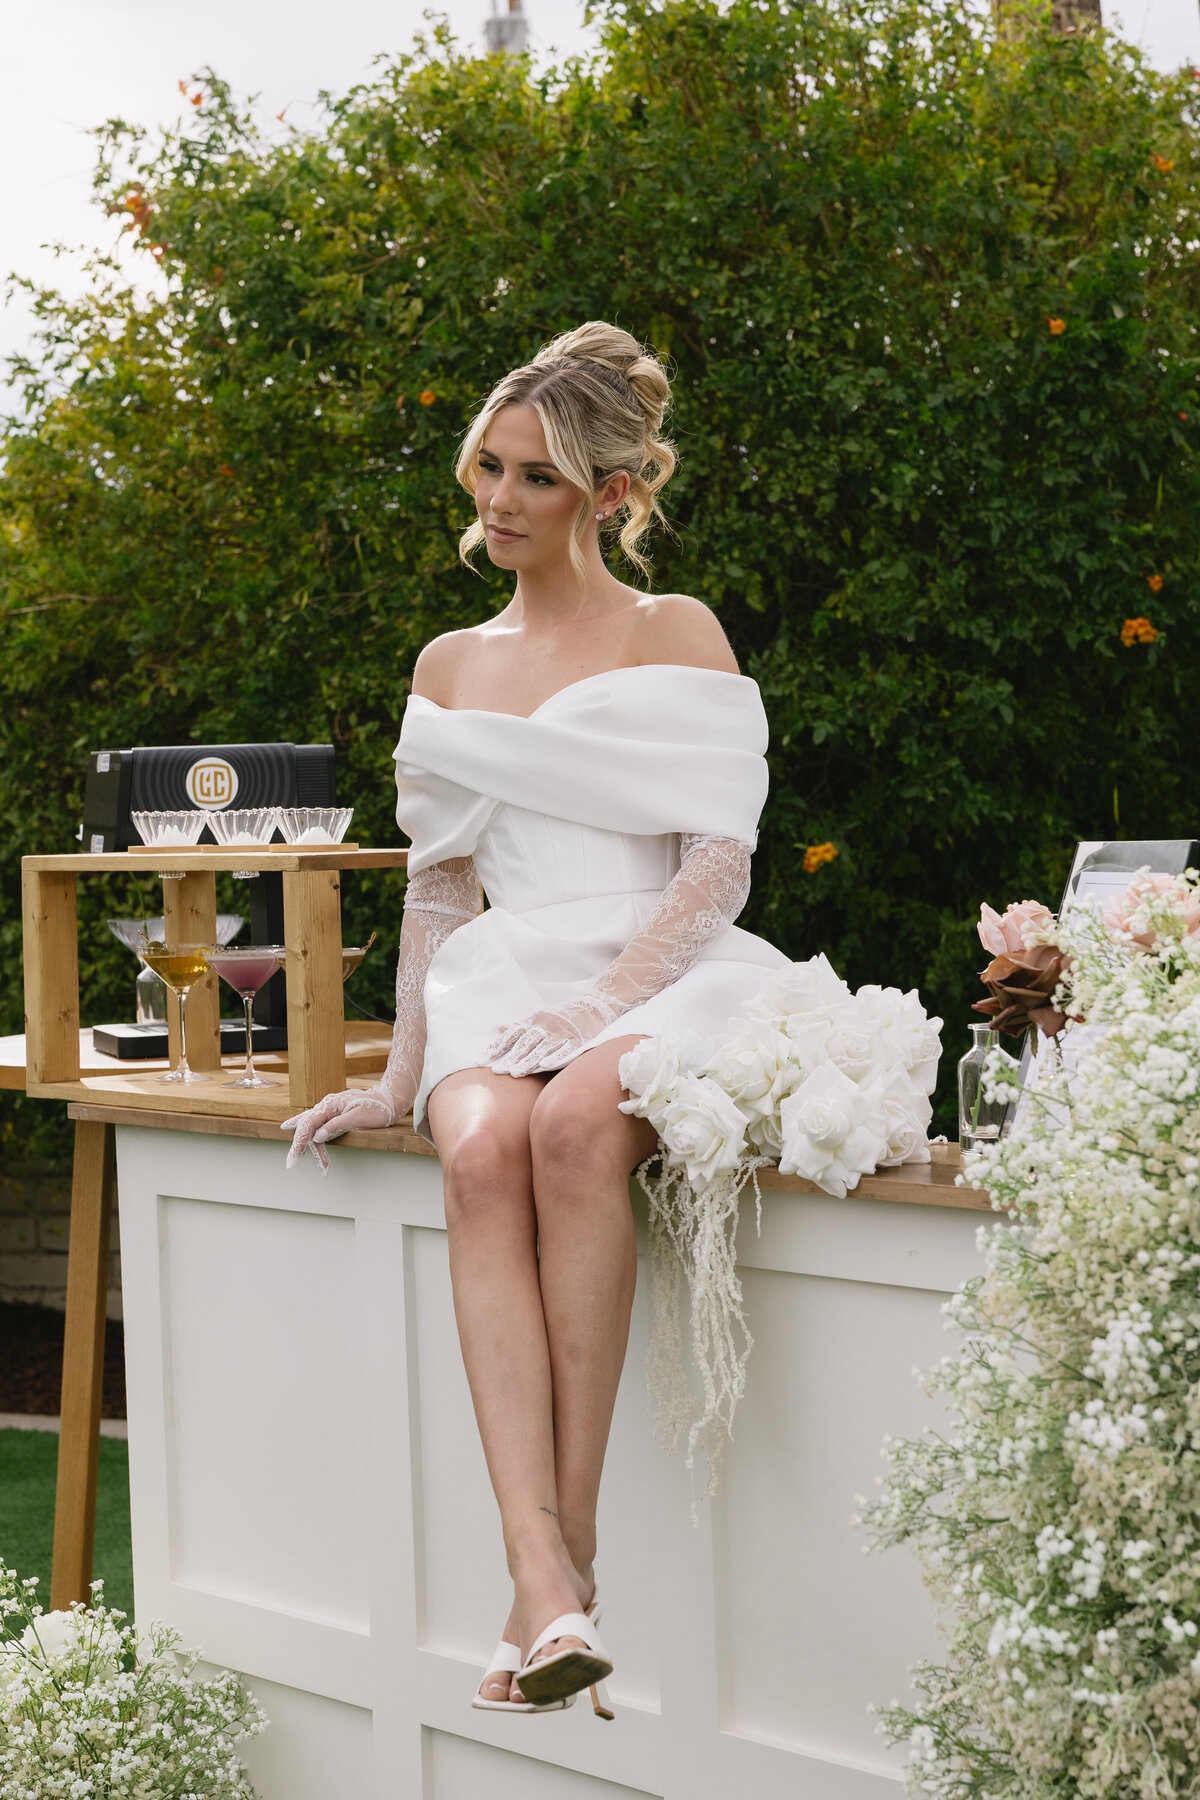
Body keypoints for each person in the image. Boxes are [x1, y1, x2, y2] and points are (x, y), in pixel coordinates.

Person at [282, 321, 790, 1718]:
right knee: (471, 1150)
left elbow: (718, 859)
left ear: (612, 496)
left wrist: (599, 1003)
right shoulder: (448, 664)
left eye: (537, 479)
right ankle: (547, 1575)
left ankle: (551, 1584)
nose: (498, 501)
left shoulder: (670, 629)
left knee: (572, 1125)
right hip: (501, 980)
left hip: (665, 968)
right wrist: (400, 1077)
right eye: (488, 469)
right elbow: (440, 893)